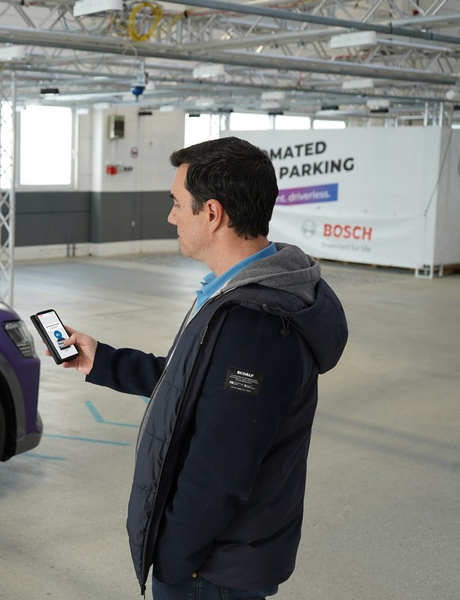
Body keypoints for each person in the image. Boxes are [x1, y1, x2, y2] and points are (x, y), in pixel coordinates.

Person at [56, 137, 348, 599]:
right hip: (221, 557)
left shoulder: (254, 325)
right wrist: (104, 361)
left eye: (177, 204)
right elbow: (193, 383)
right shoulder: (241, 291)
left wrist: (173, 563)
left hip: (212, 569)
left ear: (211, 214)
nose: (172, 216)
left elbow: (219, 472)